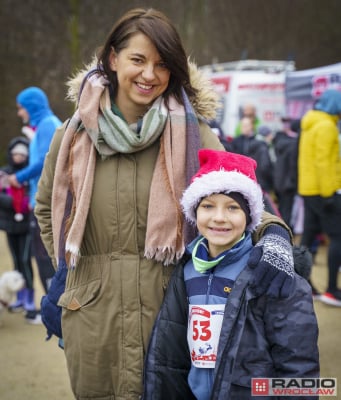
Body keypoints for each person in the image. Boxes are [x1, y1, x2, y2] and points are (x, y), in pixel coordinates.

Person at [35, 8, 295, 399]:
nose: (149, 75)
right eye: (137, 60)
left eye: (162, 64)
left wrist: (273, 235)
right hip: (92, 318)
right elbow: (46, 209)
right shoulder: (70, 136)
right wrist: (79, 276)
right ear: (113, 59)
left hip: (172, 312)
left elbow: (245, 200)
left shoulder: (194, 135)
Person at [143, 149, 319, 400]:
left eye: (233, 208)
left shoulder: (269, 272)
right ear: (194, 212)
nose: (219, 218)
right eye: (207, 206)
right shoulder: (186, 269)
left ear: (250, 217)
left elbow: (299, 363)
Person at [8, 87, 62, 321]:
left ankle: (55, 312)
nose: (19, 113)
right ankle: (53, 309)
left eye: (21, 108)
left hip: (46, 204)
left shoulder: (49, 123)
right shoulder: (43, 126)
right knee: (41, 258)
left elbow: (45, 161)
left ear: (31, 106)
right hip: (38, 202)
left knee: (46, 258)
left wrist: (17, 177)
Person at [298, 89, 341, 306]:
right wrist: (329, 194)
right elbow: (324, 162)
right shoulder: (326, 126)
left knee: (308, 237)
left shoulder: (311, 124)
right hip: (324, 191)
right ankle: (332, 290)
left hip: (308, 189)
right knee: (338, 237)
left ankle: (304, 285)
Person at [0, 137, 34, 314]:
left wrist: (25, 202)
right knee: (15, 261)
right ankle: (19, 297)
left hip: (27, 226)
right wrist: (11, 202)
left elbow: (35, 195)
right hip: (10, 225)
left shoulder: (30, 174)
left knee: (25, 260)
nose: (18, 157)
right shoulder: (4, 174)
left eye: (22, 154)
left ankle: (29, 297)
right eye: (15, 154)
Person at [272, 117, 299, 230]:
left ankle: (280, 230)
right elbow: (293, 166)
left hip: (279, 182)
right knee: (287, 211)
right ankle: (285, 232)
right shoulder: (293, 145)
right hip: (289, 183)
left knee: (281, 210)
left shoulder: (278, 142)